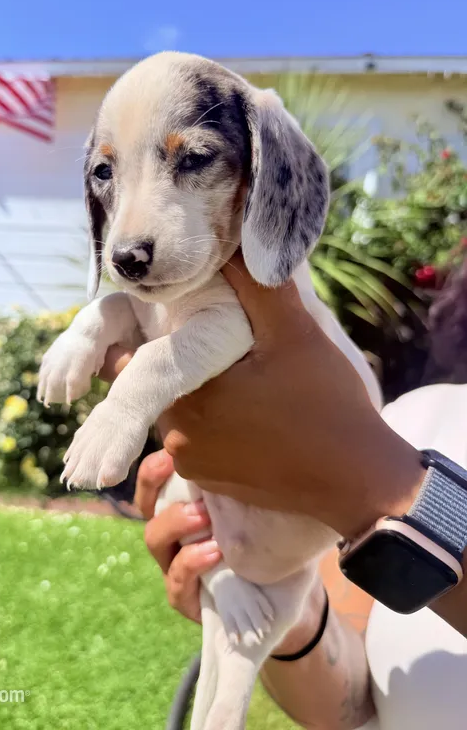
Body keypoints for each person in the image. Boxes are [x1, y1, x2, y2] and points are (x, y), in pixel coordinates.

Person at [101, 253, 467, 730]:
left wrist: (374, 486)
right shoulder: (415, 420)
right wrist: (281, 609)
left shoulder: (393, 447)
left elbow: (372, 485)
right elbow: (353, 703)